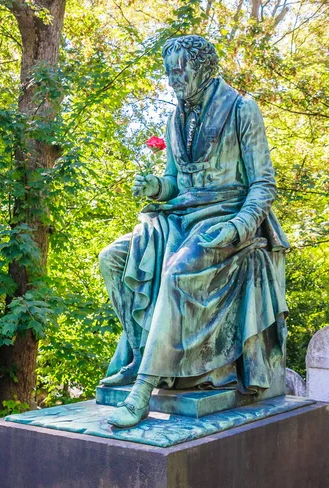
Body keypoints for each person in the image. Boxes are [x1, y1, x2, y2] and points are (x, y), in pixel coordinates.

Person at [99, 35, 289, 428]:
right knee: (113, 258)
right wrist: (155, 186)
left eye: (179, 70)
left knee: (175, 272)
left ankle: (144, 389)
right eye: (169, 72)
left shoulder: (241, 108)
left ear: (203, 66)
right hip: (180, 215)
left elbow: (263, 184)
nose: (173, 79)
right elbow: (174, 181)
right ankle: (140, 355)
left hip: (224, 218)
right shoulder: (175, 117)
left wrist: (239, 227)